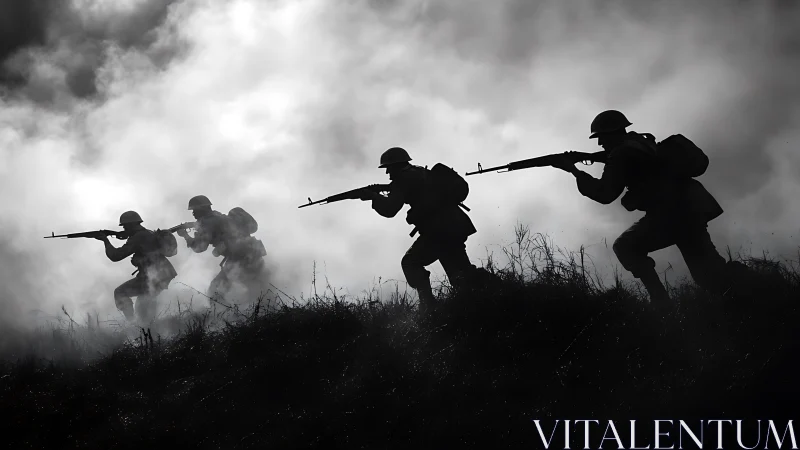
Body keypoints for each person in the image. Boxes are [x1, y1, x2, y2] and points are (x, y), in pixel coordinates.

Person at [550, 110, 742, 308]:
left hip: (671, 215)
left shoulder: (621, 154)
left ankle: (660, 302)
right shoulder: (640, 141)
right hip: (689, 208)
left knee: (625, 247)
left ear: (612, 133)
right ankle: (753, 286)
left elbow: (605, 194)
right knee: (710, 276)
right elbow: (633, 161)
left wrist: (573, 170)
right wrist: (589, 158)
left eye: (601, 137)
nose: (600, 143)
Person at [358, 147, 490, 312]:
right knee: (461, 276)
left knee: (411, 262)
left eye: (388, 168)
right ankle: (497, 290)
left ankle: (428, 305)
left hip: (439, 232)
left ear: (396, 166)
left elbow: (389, 210)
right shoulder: (418, 172)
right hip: (453, 226)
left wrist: (374, 197)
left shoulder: (403, 179)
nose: (388, 173)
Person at [175, 195, 267, 304]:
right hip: (252, 254)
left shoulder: (207, 223)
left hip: (240, 260)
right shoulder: (218, 216)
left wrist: (185, 235)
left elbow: (199, 248)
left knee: (215, 290)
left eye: (195, 210)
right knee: (258, 290)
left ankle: (220, 316)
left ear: (202, 209)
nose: (193, 213)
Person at [96, 210, 177, 321]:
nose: (124, 229)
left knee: (120, 293)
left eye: (125, 226)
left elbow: (116, 256)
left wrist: (105, 240)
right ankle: (147, 328)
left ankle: (132, 324)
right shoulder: (147, 233)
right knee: (143, 308)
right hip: (162, 274)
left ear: (130, 225)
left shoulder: (138, 237)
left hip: (153, 276)